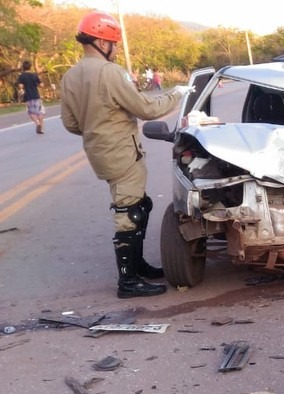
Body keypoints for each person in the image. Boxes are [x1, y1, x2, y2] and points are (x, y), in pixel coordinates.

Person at [60, 11, 192, 298]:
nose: (115, 49)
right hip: (122, 152)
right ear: (99, 42)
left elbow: (71, 124)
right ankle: (128, 281)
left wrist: (98, 129)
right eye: (112, 43)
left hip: (99, 152)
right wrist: (177, 94)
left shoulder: (70, 76)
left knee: (140, 204)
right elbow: (146, 109)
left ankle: (137, 265)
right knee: (129, 211)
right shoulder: (110, 72)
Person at [17, 61, 45, 134]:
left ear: (23, 67)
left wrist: (22, 87)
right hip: (36, 96)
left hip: (28, 97)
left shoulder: (21, 76)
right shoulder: (34, 75)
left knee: (31, 112)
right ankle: (41, 129)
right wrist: (38, 84)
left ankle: (37, 123)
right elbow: (41, 85)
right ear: (30, 67)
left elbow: (21, 86)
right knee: (39, 112)